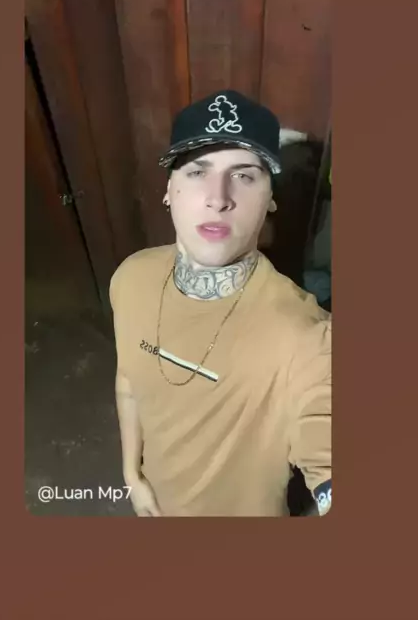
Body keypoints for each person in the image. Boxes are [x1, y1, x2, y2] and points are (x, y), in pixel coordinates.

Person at [110, 90, 331, 517]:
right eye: (197, 171)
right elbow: (129, 385)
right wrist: (132, 477)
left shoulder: (305, 336)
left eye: (244, 175)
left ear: (270, 198)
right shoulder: (130, 278)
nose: (218, 197)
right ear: (169, 190)